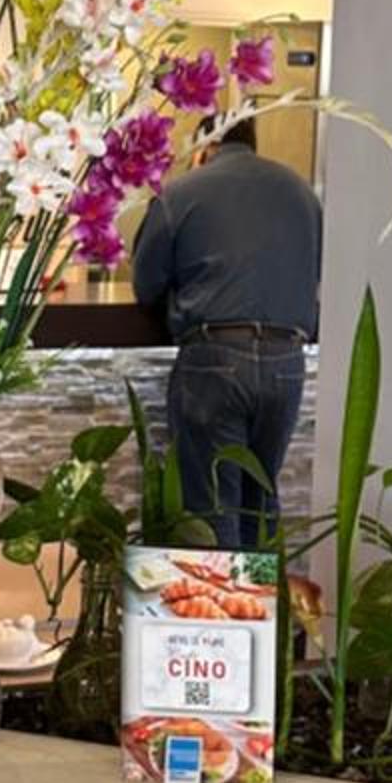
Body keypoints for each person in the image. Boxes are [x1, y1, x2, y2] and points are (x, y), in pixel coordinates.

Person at [131, 116, 322, 552]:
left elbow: (146, 284)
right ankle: (258, 595)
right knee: (260, 500)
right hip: (287, 361)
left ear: (204, 145)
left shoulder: (181, 192)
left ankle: (220, 597)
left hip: (215, 358)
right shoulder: (300, 192)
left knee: (212, 508)